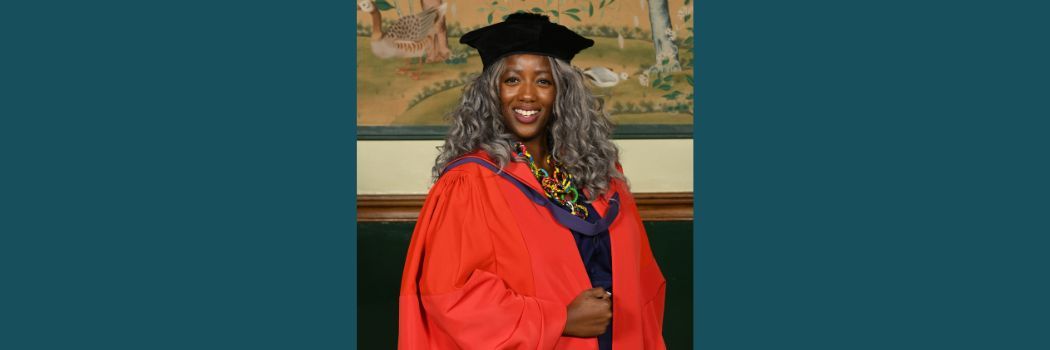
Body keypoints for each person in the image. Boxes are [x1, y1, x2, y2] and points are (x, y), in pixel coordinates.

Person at [398, 13, 666, 349]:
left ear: (562, 92)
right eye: (512, 80)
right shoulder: (471, 183)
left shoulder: (599, 175)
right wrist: (562, 320)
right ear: (492, 92)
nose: (527, 95)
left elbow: (643, 277)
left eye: (543, 81)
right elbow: (450, 296)